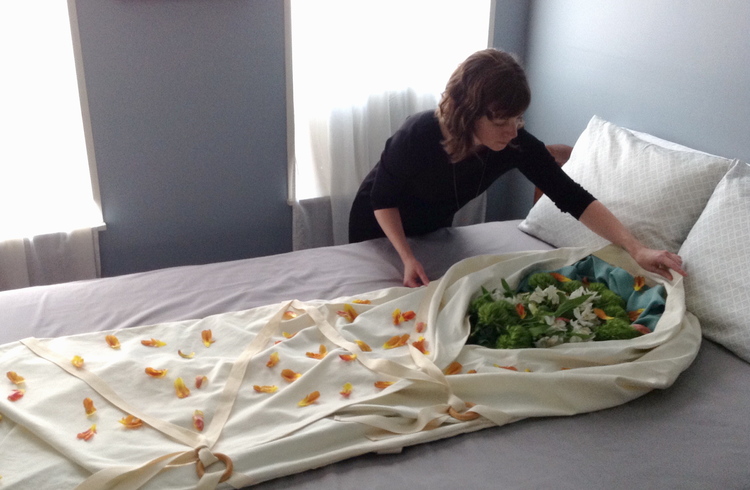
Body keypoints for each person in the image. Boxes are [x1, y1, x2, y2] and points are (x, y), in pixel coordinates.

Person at [348, 48, 686, 287]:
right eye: (501, 122)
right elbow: (383, 199)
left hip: (432, 227)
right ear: (468, 113)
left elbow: (572, 196)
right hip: (379, 224)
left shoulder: (513, 143)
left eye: (518, 118)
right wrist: (407, 257)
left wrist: (636, 248)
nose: (512, 131)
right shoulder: (419, 133)